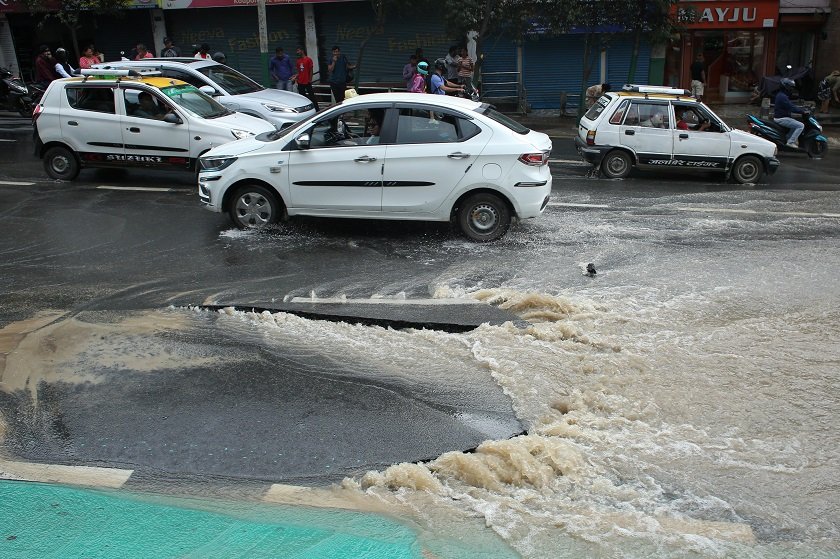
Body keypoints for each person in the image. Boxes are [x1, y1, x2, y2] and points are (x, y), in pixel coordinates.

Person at [773, 77, 806, 147]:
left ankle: (788, 139)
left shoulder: (782, 95)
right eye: (791, 87)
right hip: (781, 118)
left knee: (795, 125)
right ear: (786, 87)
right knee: (801, 125)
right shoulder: (782, 97)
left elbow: (791, 105)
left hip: (782, 117)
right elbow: (791, 107)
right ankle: (790, 142)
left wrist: (801, 109)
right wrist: (802, 111)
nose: (792, 89)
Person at [293, 46, 318, 110]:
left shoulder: (308, 60)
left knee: (312, 96)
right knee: (302, 97)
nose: (297, 52)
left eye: (298, 50)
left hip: (307, 81)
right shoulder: (298, 61)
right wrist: (296, 77)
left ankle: (317, 109)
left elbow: (311, 70)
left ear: (302, 51)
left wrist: (310, 79)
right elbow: (299, 72)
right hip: (300, 82)